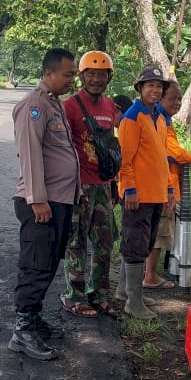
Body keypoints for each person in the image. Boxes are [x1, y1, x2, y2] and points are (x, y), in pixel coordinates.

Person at [10, 48, 81, 361]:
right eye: (68, 74)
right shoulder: (34, 106)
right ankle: (22, 329)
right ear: (49, 73)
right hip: (43, 202)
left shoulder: (54, 104)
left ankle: (34, 320)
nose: (72, 80)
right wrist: (37, 199)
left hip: (59, 200)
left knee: (49, 263)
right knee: (36, 265)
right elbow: (30, 154)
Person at [61, 50, 120, 317]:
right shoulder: (70, 106)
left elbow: (111, 146)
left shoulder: (110, 106)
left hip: (104, 186)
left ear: (109, 77)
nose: (96, 79)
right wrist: (73, 185)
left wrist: (115, 182)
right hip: (79, 185)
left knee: (105, 242)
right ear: (82, 76)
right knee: (76, 242)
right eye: (91, 74)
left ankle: (99, 294)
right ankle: (74, 296)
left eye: (102, 74)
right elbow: (63, 148)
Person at [115, 64, 172, 319]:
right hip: (138, 194)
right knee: (135, 244)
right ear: (140, 88)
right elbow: (125, 160)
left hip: (157, 192)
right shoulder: (132, 117)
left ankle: (125, 292)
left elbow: (162, 155)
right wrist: (129, 190)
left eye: (159, 86)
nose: (155, 90)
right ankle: (133, 303)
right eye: (150, 85)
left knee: (144, 244)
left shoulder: (159, 116)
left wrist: (169, 187)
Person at [145, 81, 191, 287]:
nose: (177, 103)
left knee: (158, 230)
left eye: (180, 99)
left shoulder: (163, 119)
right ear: (160, 98)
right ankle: (150, 276)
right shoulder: (158, 119)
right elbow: (172, 151)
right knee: (159, 232)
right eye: (172, 98)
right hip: (161, 185)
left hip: (166, 184)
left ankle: (148, 273)